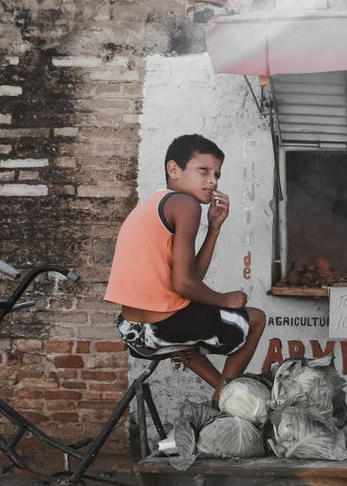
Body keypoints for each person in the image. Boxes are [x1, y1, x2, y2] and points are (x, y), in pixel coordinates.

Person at [105, 134, 266, 402]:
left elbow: (190, 279)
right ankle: (229, 398)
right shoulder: (186, 205)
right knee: (256, 318)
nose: (213, 180)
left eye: (217, 174)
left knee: (191, 330)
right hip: (162, 325)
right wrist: (227, 299)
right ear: (174, 170)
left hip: (133, 329)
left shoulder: (151, 205)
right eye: (203, 171)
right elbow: (184, 285)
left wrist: (214, 229)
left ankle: (221, 390)